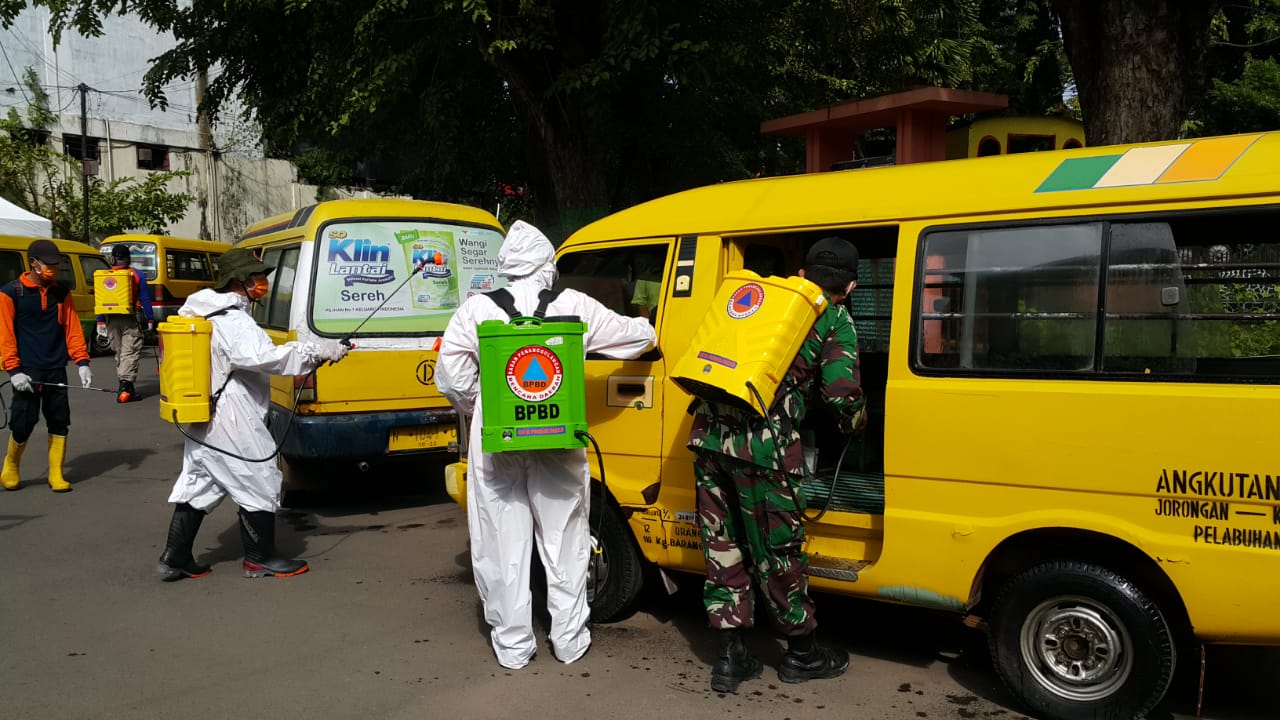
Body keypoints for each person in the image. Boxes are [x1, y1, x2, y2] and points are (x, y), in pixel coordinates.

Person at [436, 220, 656, 670]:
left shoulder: (475, 310)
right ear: (546, 265)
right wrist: (649, 328)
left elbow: (451, 377)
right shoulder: (574, 304)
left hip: (497, 441)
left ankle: (515, 647)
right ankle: (569, 641)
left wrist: (494, 404)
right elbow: (633, 338)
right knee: (565, 537)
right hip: (557, 438)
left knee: (501, 539)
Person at [688, 236, 867, 693]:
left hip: (710, 437)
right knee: (778, 552)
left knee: (721, 545)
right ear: (850, 284)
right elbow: (840, 393)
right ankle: (802, 655)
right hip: (765, 451)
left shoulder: (770, 299)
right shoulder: (833, 315)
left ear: (803, 272)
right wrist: (857, 422)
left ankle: (730, 658)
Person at [156, 247, 349, 581]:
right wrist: (318, 351)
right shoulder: (233, 321)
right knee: (259, 477)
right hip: (232, 415)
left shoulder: (201, 313)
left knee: (200, 482)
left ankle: (175, 557)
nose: (263, 283)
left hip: (204, 413)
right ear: (240, 282)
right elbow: (266, 358)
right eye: (258, 277)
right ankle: (260, 558)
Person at [0, 239, 93, 492]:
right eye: (48, 264)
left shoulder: (61, 293)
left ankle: (56, 473)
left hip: (55, 366)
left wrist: (82, 361)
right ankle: (11, 464)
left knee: (59, 419)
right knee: (23, 421)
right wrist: (14, 370)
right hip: (27, 370)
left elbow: (72, 329)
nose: (53, 268)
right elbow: (5, 335)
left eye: (56, 264)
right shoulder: (11, 293)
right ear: (33, 263)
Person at [96, 244, 155, 403]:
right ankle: (125, 388)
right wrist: (150, 319)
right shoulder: (136, 275)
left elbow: (100, 298)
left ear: (113, 259)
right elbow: (144, 298)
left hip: (110, 318)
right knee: (130, 351)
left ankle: (126, 385)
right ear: (129, 259)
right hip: (130, 317)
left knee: (120, 352)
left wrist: (100, 320)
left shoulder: (104, 276)